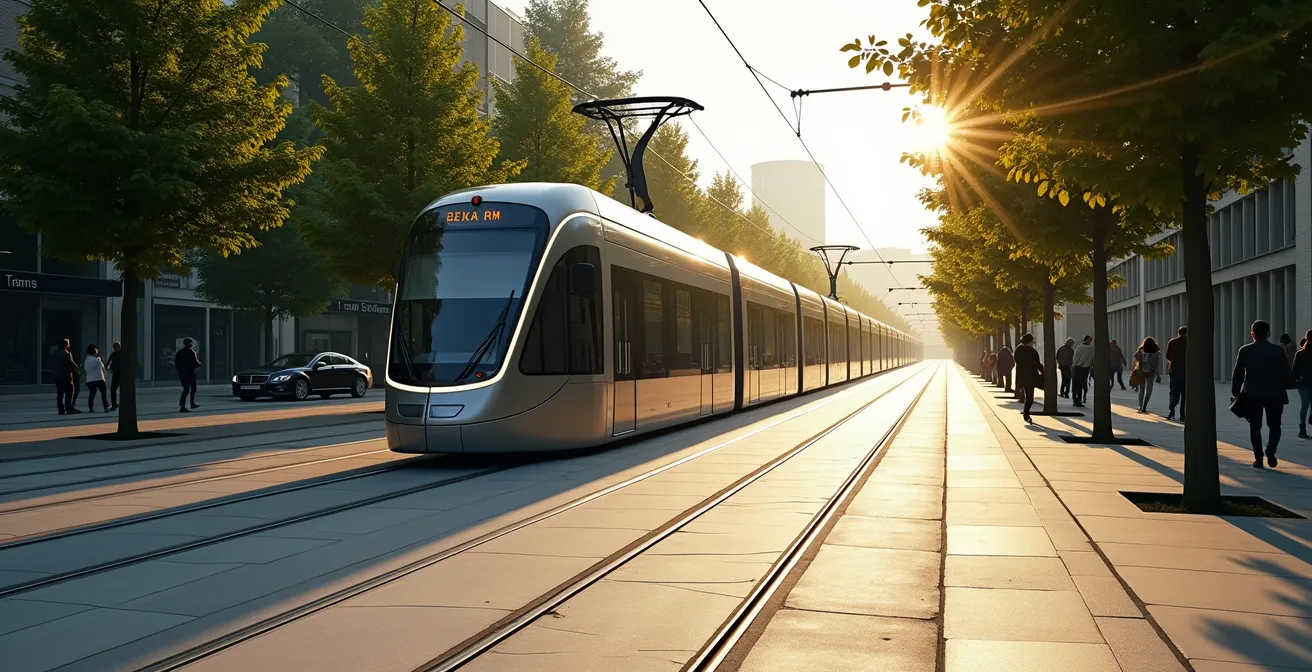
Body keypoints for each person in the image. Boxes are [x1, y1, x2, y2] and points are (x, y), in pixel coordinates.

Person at [1233, 320, 1292, 468]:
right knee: (1275, 425)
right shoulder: (1278, 351)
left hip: (1253, 394)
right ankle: (1271, 449)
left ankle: (1258, 458)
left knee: (1255, 427)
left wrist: (1236, 392)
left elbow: (1238, 373)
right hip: (1275, 393)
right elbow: (1286, 372)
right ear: (1268, 334)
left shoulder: (1245, 350)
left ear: (1252, 334)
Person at [1013, 333, 1043, 424]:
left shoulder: (1018, 350)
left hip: (1022, 375)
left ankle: (1026, 414)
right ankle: (1026, 414)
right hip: (1031, 376)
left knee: (1026, 392)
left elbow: (1016, 360)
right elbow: (1037, 363)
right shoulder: (1032, 351)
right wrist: (1042, 370)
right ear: (1030, 341)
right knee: (1030, 397)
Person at [1290, 329, 1312, 439]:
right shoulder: (1301, 354)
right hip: (1306, 383)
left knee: (1304, 406)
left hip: (1303, 383)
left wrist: (1293, 381)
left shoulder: (1300, 354)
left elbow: (1295, 370)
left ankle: (1302, 429)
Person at [1132, 337, 1162, 413]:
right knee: (1149, 390)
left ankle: (1140, 406)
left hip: (1141, 372)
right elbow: (1158, 365)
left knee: (1141, 389)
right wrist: (1158, 374)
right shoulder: (1157, 353)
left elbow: (1135, 358)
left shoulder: (1141, 352)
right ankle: (1145, 405)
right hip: (1151, 372)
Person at [1165, 326, 1188, 421]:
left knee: (1174, 391)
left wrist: (1174, 361)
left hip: (1174, 370)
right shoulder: (1190, 342)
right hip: (1186, 370)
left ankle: (1172, 411)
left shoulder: (1172, 342)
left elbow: (1168, 356)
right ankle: (1182, 413)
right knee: (1184, 393)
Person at [174, 338, 202, 412]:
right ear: (190, 344)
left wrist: (180, 371)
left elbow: (177, 364)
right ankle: (192, 403)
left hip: (182, 374)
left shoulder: (179, 353)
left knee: (186, 390)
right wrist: (199, 364)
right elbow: (196, 363)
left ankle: (182, 405)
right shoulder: (192, 352)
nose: (192, 344)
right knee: (193, 388)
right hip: (190, 373)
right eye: (191, 343)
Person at [53, 338, 79, 415]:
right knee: (69, 392)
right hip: (66, 375)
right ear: (66, 345)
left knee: (60, 393)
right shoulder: (67, 354)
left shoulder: (55, 353)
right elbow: (73, 365)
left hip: (57, 375)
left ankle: (60, 409)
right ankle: (69, 408)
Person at [84, 344, 109, 412]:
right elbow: (103, 368)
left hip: (89, 380)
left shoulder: (86, 360)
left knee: (92, 393)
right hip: (99, 378)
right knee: (103, 393)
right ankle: (106, 406)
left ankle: (91, 408)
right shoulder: (97, 360)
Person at [1071, 335, 1094, 407]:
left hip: (1078, 368)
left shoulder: (1079, 348)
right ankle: (1078, 400)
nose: (1091, 341)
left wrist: (1073, 366)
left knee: (1076, 385)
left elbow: (1075, 358)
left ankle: (1075, 400)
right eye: (1090, 340)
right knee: (1081, 385)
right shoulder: (1091, 348)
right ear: (1086, 340)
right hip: (1084, 368)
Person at [106, 342, 121, 411]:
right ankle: (114, 404)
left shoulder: (114, 354)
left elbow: (108, 362)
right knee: (113, 390)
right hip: (120, 374)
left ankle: (114, 404)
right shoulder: (120, 354)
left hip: (117, 374)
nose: (114, 349)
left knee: (113, 389)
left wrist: (106, 368)